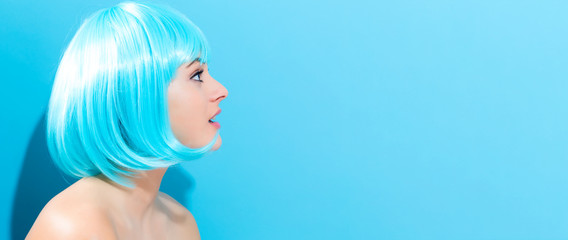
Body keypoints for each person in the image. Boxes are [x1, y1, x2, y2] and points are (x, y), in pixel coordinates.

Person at [25, 1, 228, 239]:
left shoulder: (181, 224)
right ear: (138, 96)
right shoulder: (71, 227)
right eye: (196, 75)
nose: (222, 90)